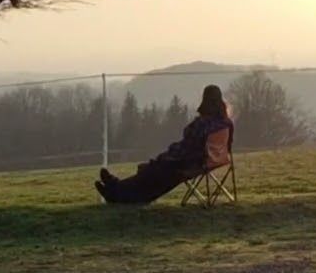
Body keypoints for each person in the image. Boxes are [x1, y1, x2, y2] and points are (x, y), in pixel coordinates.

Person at [94, 84, 233, 204]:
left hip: (192, 163)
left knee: (153, 171)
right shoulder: (226, 123)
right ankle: (116, 188)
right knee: (153, 171)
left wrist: (171, 154)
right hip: (212, 161)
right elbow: (227, 146)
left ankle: (116, 191)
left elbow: (189, 143)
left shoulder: (203, 123)